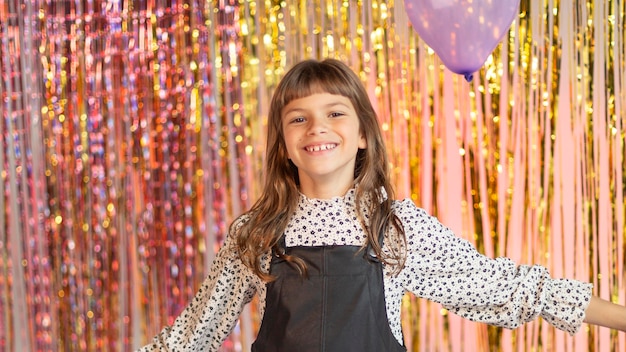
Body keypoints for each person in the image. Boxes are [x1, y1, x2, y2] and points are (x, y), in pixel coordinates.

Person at [137, 58, 626, 351]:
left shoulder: (395, 227)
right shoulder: (256, 232)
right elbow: (194, 334)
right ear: (283, 145)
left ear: (364, 135)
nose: (317, 128)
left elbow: (506, 287)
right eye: (298, 119)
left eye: (334, 113)